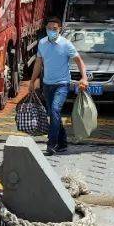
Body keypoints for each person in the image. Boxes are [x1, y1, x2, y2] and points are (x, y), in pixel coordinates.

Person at [29, 16, 89, 156]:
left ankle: (52, 144)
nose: (51, 31)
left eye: (54, 29)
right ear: (46, 29)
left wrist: (84, 77)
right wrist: (32, 81)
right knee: (54, 114)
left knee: (55, 110)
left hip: (62, 84)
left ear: (60, 29)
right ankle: (62, 143)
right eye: (49, 29)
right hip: (47, 85)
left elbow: (79, 61)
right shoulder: (42, 43)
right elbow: (38, 63)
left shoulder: (66, 44)